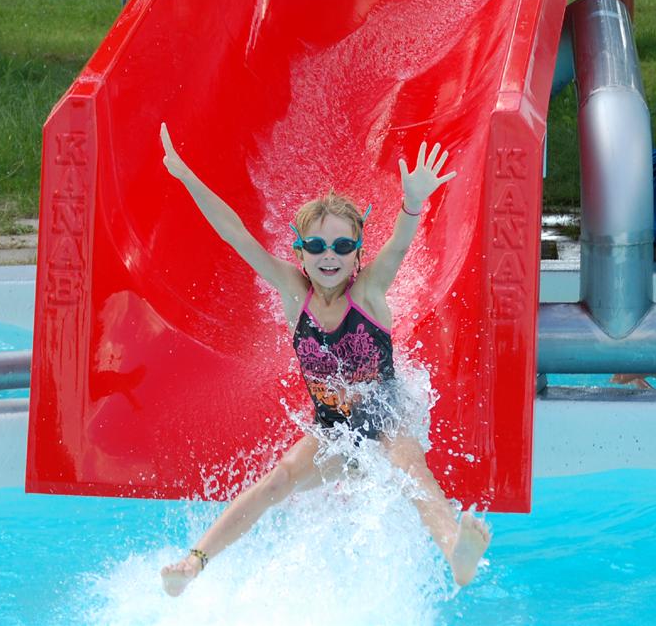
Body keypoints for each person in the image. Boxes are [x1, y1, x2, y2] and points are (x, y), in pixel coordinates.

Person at [157, 123, 491, 597]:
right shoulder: (296, 295)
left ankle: (456, 552)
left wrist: (412, 202)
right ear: (300, 251)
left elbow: (398, 246)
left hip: (385, 417)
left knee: (408, 464)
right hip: (331, 428)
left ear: (357, 255)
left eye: (341, 246)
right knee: (278, 481)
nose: (327, 256)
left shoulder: (369, 293)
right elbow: (236, 235)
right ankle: (194, 563)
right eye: (315, 246)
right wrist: (187, 176)